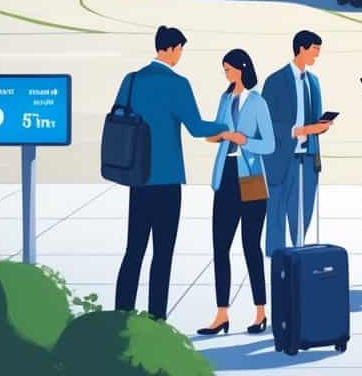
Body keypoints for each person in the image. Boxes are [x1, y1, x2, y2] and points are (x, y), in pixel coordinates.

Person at [115, 26, 229, 321]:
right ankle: (156, 319)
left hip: (138, 177)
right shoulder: (178, 84)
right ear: (173, 48)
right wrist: (224, 128)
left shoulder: (131, 81)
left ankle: (120, 314)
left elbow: (118, 115)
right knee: (162, 255)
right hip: (166, 181)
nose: (180, 55)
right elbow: (195, 128)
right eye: (180, 50)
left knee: (134, 250)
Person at [199, 49, 275, 336]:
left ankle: (260, 312)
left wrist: (243, 140)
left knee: (250, 247)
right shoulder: (224, 98)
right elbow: (213, 134)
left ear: (242, 68)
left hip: (252, 178)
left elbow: (269, 144)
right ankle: (221, 315)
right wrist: (219, 135)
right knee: (220, 247)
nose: (226, 74)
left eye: (229, 69)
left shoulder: (258, 102)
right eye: (224, 70)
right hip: (226, 176)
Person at [263, 30, 333, 256]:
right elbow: (266, 124)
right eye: (315, 50)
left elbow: (315, 117)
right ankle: (276, 259)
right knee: (276, 210)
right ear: (302, 49)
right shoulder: (275, 81)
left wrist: (320, 126)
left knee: (303, 211)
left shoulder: (314, 82)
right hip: (281, 157)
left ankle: (299, 255)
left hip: (308, 156)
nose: (317, 56)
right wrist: (299, 131)